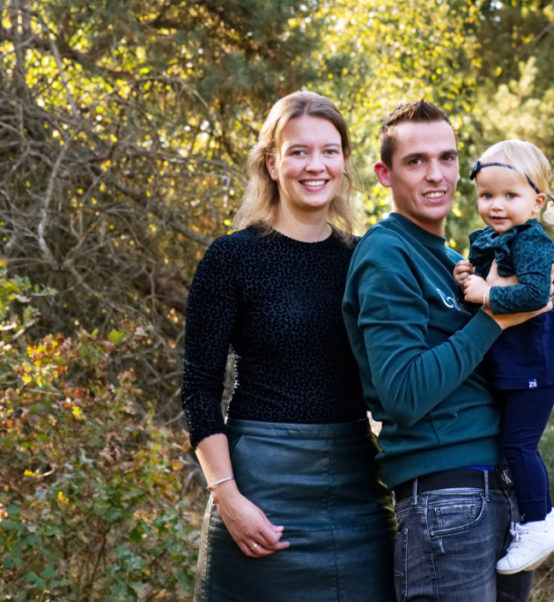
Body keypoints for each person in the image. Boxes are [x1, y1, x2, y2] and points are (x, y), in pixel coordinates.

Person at [181, 91, 395, 601]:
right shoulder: (231, 258)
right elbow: (198, 390)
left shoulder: (366, 258)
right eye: (298, 151)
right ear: (272, 163)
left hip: (358, 494)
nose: (314, 165)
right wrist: (228, 497)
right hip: (260, 492)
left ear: (344, 162)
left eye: (329, 150)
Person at [342, 100, 544, 601]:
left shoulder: (459, 261)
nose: (437, 176)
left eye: (448, 158)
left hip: (499, 490)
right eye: (416, 162)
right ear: (385, 175)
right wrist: (493, 318)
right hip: (445, 498)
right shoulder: (387, 254)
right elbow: (404, 392)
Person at [453, 140, 554, 575]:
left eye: (511, 195)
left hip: (539, 356)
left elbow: (533, 294)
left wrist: (487, 292)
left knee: (519, 443)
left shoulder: (531, 240)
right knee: (514, 442)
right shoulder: (495, 238)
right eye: (487, 195)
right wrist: (467, 275)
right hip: (519, 358)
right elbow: (485, 285)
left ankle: (537, 524)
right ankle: (542, 512)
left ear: (537, 201)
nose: (496, 205)